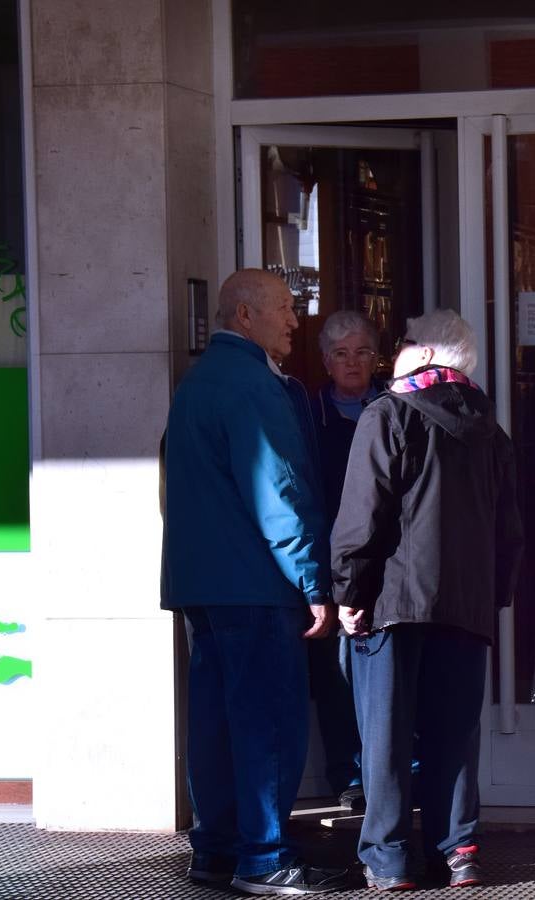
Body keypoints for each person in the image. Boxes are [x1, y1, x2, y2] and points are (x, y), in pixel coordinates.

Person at [162, 268, 346, 895]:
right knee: (267, 720)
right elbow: (280, 493)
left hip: (202, 584)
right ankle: (264, 857)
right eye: (284, 309)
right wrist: (314, 582)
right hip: (256, 583)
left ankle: (214, 851)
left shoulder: (197, 384)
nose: (296, 320)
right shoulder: (252, 386)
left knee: (213, 721)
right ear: (244, 316)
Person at [331, 309, 524, 890]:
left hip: (393, 604)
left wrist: (349, 589)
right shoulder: (490, 429)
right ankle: (457, 850)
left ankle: (388, 861)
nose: (396, 350)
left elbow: (362, 518)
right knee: (455, 734)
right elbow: (509, 529)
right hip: (466, 606)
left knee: (385, 736)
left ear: (425, 353)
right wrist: (494, 595)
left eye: (405, 341)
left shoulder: (387, 414)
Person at [308, 310, 385, 809]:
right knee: (334, 678)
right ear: (326, 362)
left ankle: (393, 771)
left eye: (361, 352)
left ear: (376, 358)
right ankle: (349, 775)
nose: (352, 363)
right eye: (340, 354)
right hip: (329, 561)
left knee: (387, 673)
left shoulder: (394, 406)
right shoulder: (309, 414)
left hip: (386, 562)